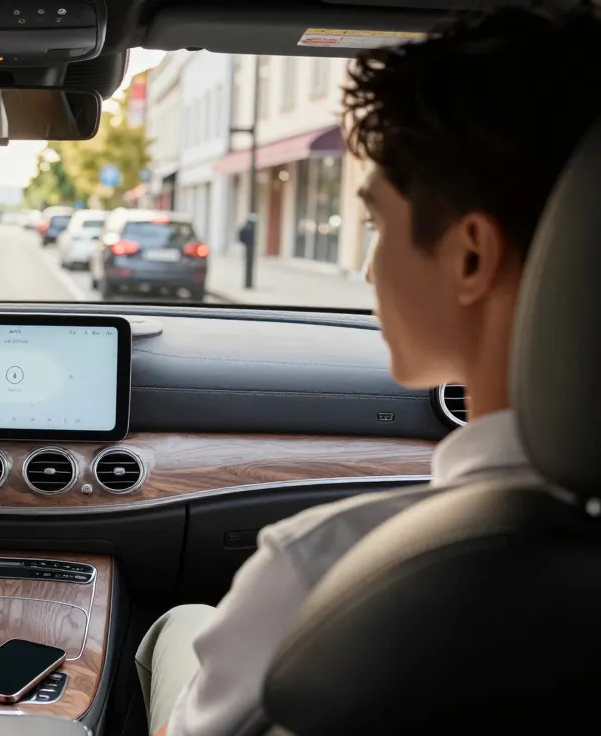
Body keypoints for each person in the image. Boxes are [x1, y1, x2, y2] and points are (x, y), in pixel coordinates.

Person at [134, 5, 601, 735]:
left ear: (471, 256)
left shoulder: (319, 570)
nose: (367, 265)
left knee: (181, 627)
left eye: (377, 225)